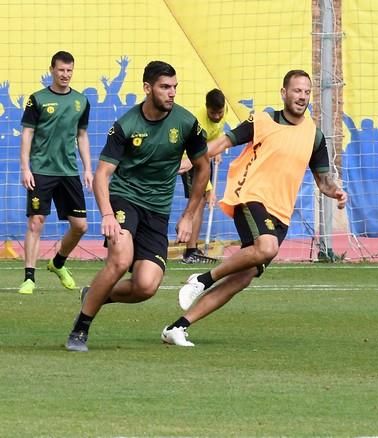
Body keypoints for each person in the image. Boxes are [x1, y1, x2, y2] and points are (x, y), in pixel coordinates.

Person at [161, 69, 348, 347]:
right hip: (249, 195)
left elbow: (323, 181)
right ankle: (200, 278)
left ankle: (178, 327)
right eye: (297, 90)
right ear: (284, 93)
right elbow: (225, 141)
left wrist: (335, 191)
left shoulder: (315, 136)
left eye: (307, 92)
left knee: (244, 276)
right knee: (267, 247)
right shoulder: (262, 120)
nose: (302, 97)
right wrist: (192, 160)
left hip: (280, 213)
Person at [65, 61, 210, 352]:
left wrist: (188, 214)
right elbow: (103, 175)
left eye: (174, 87)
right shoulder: (126, 125)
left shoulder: (186, 123)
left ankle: (95, 294)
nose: (171, 93)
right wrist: (107, 213)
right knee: (120, 259)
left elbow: (202, 167)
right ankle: (80, 328)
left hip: (157, 210)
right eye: (164, 87)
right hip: (124, 199)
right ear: (147, 88)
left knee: (146, 286)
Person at [18, 51, 92, 295]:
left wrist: (88, 169)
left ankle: (58, 262)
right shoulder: (37, 99)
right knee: (36, 222)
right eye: (61, 70)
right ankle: (29, 278)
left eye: (69, 70)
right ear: (52, 70)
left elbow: (82, 136)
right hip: (40, 170)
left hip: (68, 171)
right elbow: (27, 133)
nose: (65, 75)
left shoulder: (81, 101)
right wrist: (25, 167)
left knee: (80, 226)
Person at [178, 88, 227, 263]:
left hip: (204, 155)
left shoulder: (223, 111)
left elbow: (218, 130)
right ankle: (190, 252)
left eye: (219, 113)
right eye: (213, 113)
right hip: (189, 159)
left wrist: (217, 149)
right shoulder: (198, 124)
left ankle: (190, 244)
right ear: (206, 108)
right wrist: (210, 189)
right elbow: (198, 163)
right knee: (197, 202)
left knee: (200, 203)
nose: (217, 116)